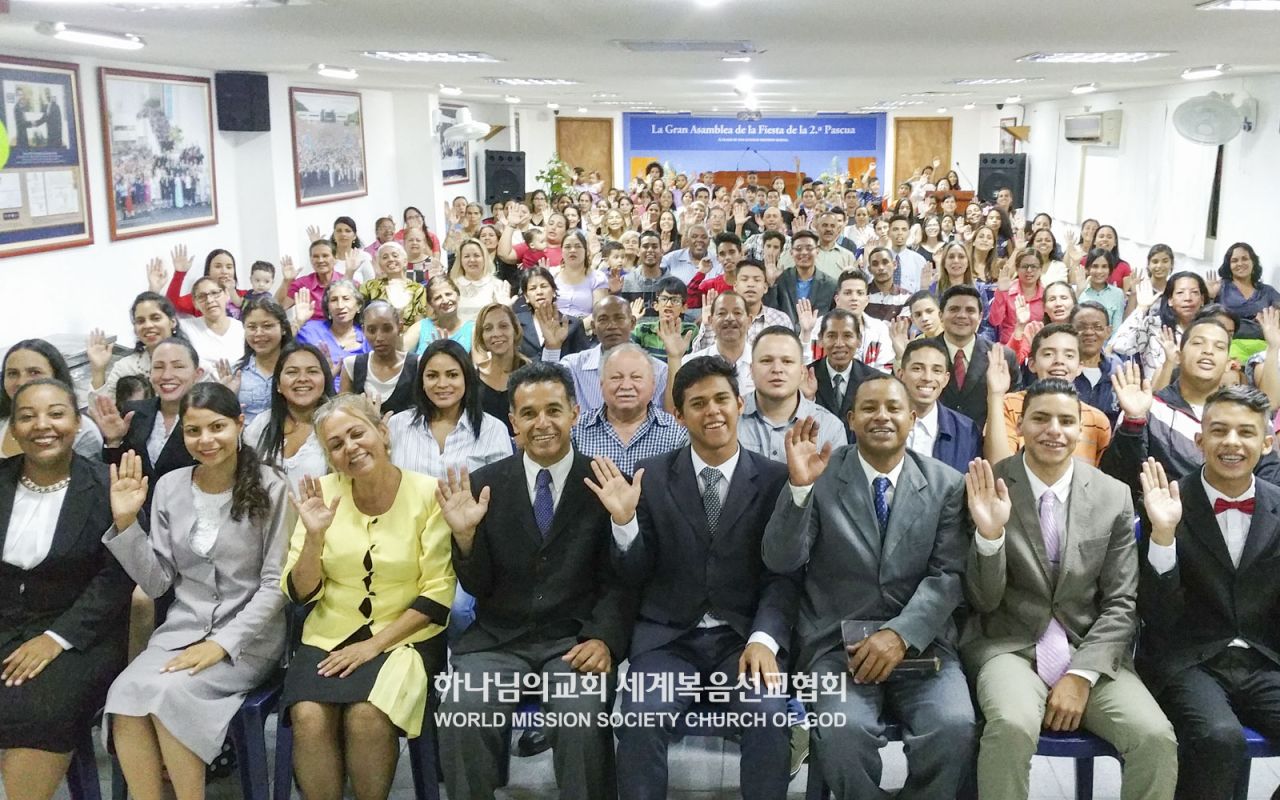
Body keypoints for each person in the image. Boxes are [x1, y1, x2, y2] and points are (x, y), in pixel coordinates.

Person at [592, 355, 797, 800]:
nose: (713, 411)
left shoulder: (776, 479)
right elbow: (632, 574)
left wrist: (764, 640)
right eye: (698, 403)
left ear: (740, 404)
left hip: (743, 638)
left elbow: (782, 576)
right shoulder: (650, 477)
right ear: (679, 415)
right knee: (641, 717)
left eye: (722, 399)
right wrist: (624, 523)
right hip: (668, 640)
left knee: (767, 715)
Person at [762, 375, 976, 799]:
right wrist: (799, 489)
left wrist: (900, 634)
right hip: (835, 646)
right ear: (851, 419)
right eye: (869, 408)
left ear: (911, 418)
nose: (882, 417)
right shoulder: (820, 473)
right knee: (843, 733)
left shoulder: (945, 483)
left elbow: (949, 575)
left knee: (953, 726)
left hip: (921, 643)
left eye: (893, 408)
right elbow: (781, 561)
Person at [962, 380, 1177, 800]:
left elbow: (1121, 603)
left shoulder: (1112, 495)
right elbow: (982, 601)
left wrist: (1081, 674)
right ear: (1020, 425)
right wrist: (990, 537)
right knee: (1010, 726)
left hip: (1089, 648)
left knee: (1155, 737)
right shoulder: (988, 485)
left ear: (1082, 429)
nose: (1053, 430)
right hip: (1009, 645)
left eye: (1066, 421)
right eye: (1040, 418)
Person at [435, 361, 635, 800]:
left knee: (581, 717)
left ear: (575, 414)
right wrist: (465, 539)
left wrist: (605, 638)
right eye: (529, 413)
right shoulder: (484, 485)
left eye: (553, 410)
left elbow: (623, 582)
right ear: (513, 422)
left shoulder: (605, 482)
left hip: (574, 641)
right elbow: (478, 586)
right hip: (497, 640)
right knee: (461, 710)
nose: (542, 423)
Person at [103, 383, 289, 800]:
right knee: (125, 694)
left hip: (249, 641)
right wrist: (127, 523)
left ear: (239, 424)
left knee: (172, 695)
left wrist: (221, 644)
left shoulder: (273, 485)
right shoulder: (171, 486)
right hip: (181, 633)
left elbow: (276, 584)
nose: (205, 440)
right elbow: (157, 582)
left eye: (216, 427)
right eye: (193, 430)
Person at [281, 394, 456, 800]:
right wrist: (314, 537)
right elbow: (300, 591)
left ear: (382, 432)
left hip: (406, 637)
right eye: (336, 444)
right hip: (329, 632)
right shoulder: (321, 494)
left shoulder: (429, 494)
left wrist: (372, 647)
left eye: (357, 434)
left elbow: (437, 593)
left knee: (367, 716)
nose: (350, 448)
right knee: (308, 716)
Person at [1137, 387, 1280, 800]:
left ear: (1266, 443)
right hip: (1189, 659)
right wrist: (1163, 535)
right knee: (1218, 738)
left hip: (1266, 658)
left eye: (1246, 432)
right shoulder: (1166, 502)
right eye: (1219, 431)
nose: (1231, 442)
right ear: (1200, 440)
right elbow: (1156, 614)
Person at [0, 379, 132, 800]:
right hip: (6, 622)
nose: (43, 425)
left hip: (80, 633)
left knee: (39, 707)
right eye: (27, 416)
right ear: (13, 428)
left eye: (56, 414)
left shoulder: (106, 486)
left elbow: (117, 578)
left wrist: (56, 638)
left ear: (78, 423)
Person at [1102, 316, 1280, 500]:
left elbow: (1271, 480)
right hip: (1165, 513)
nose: (1208, 351)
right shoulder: (1148, 408)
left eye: (1219, 347)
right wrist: (1133, 421)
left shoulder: (1251, 413)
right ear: (1178, 356)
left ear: (1229, 363)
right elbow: (1120, 479)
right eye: (1198, 343)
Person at [89, 337, 204, 519]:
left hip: (188, 518)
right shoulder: (133, 413)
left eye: (178, 366)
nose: (166, 375)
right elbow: (116, 475)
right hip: (135, 518)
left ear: (197, 374)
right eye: (158, 367)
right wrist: (114, 442)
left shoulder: (207, 419)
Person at [985, 324, 1113, 466]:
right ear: (1032, 364)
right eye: (1048, 354)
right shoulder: (1009, 404)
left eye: (1069, 355)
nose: (1059, 361)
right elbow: (999, 466)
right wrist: (995, 395)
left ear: (1079, 367)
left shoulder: (1098, 421)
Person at [386, 339, 512, 479]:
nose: (442, 384)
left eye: (452, 375)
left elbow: (504, 488)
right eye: (432, 376)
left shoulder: (493, 430)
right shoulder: (397, 425)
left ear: (466, 378)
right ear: (422, 381)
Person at [571, 344, 687, 478]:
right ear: (601, 385)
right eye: (616, 378)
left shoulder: (677, 433)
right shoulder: (576, 430)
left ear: (653, 385)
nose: (626, 386)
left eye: (636, 377)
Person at [739, 327, 846, 462]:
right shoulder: (730, 418)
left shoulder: (830, 427)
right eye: (766, 360)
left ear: (802, 372)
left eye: (787, 361)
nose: (777, 369)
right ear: (751, 370)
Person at [554, 295, 669, 414]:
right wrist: (553, 347)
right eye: (603, 320)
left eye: (619, 318)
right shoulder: (573, 366)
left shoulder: (658, 370)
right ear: (593, 327)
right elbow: (548, 391)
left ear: (632, 322)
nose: (611, 326)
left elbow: (667, 417)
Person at [244, 343, 334, 492]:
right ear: (278, 385)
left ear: (325, 380)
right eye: (292, 372)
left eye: (312, 371)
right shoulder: (262, 423)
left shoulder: (337, 425)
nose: (302, 379)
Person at [934, 285, 1021, 430]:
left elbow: (1013, 407)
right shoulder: (924, 353)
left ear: (980, 317)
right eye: (954, 309)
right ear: (941, 315)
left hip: (986, 439)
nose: (962, 315)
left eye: (970, 310)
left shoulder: (1003, 357)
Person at [1, 339, 104, 459]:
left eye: (34, 372)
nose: (21, 382)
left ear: (56, 376)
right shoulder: (2, 421)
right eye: (13, 373)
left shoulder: (83, 432)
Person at [895, 337, 982, 474]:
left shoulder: (966, 430)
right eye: (917, 369)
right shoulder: (883, 423)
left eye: (936, 370)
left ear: (946, 379)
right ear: (901, 375)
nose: (927, 378)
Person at [87, 292, 182, 404]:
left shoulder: (190, 362)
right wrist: (98, 370)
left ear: (172, 322)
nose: (148, 325)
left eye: (155, 318)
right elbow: (103, 411)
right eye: (140, 321)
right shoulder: (125, 368)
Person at [1111, 271, 1209, 380]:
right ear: (1170, 300)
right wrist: (1141, 308)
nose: (1188, 298)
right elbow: (1120, 346)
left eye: (1194, 292)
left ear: (1202, 299)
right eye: (1180, 293)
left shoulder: (1210, 330)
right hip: (1157, 389)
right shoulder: (1154, 325)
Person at [337, 301, 417, 415]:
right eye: (371, 330)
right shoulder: (352, 365)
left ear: (400, 327)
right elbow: (343, 414)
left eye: (387, 329)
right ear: (363, 330)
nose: (379, 337)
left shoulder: (417, 364)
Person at [223, 297, 293, 425]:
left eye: (267, 326)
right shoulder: (235, 373)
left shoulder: (297, 369)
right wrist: (225, 397)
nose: (259, 333)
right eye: (252, 327)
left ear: (283, 328)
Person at [810, 308, 881, 424]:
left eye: (847, 336)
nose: (839, 344)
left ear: (859, 340)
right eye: (831, 336)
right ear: (820, 340)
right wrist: (808, 398)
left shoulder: (874, 380)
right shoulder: (806, 377)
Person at [296, 279, 369, 386]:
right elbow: (282, 349)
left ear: (358, 306)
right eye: (334, 300)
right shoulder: (311, 330)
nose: (340, 306)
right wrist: (298, 322)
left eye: (346, 299)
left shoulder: (367, 336)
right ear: (327, 308)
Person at [472, 303, 529, 435]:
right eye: (488, 328)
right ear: (481, 336)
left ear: (515, 330)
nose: (496, 333)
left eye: (503, 326)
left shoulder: (531, 374)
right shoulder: (472, 377)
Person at [513, 268, 591, 362]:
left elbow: (584, 361)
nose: (539, 292)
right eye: (533, 288)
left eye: (544, 286)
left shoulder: (574, 324)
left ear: (554, 291)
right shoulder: (516, 324)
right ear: (526, 297)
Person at [152, 246, 247, 319]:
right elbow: (171, 304)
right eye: (218, 266)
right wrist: (179, 273)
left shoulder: (244, 295)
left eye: (229, 267)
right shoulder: (201, 297)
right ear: (208, 270)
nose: (224, 271)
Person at [765, 230, 837, 327]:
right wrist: (771, 283)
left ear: (817, 251)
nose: (804, 252)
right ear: (791, 252)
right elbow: (769, 311)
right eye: (798, 249)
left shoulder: (830, 285)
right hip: (784, 333)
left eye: (809, 248)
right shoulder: (781, 279)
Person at [180, 277, 246, 373]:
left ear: (227, 294)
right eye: (202, 296)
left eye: (215, 293)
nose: (210, 300)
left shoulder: (242, 329)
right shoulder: (186, 327)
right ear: (195, 303)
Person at [1071, 301, 1123, 424]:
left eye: (1097, 327)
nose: (1089, 332)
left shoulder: (1117, 369)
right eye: (1081, 327)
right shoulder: (1061, 369)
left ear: (1108, 331)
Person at [358, 242, 429, 331]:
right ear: (380, 264)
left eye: (395, 256)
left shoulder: (418, 289)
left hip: (408, 335)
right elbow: (353, 302)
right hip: (378, 334)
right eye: (385, 257)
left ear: (405, 261)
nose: (391, 259)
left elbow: (419, 324)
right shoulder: (370, 286)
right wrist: (350, 272)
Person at [631, 276, 699, 363]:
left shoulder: (691, 330)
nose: (669, 304)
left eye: (675, 300)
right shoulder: (642, 330)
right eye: (664, 299)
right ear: (655, 305)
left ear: (684, 308)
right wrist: (630, 322)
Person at [403, 277, 476, 356]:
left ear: (458, 295)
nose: (445, 301)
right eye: (438, 298)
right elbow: (399, 356)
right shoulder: (420, 328)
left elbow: (479, 362)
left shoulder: (472, 329)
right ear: (431, 304)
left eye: (448, 294)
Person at [277, 239, 344, 323]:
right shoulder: (302, 283)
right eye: (315, 256)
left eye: (325, 256)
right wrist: (286, 281)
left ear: (335, 258)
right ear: (311, 260)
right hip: (311, 329)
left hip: (340, 327)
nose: (320, 260)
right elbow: (280, 306)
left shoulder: (346, 282)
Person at [989, 251, 1045, 345]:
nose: (1029, 270)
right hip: (1009, 345)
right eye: (1024, 266)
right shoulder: (1007, 289)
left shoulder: (1046, 294)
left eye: (1034, 266)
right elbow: (994, 321)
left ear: (1041, 269)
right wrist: (1001, 292)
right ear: (1017, 268)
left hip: (1036, 346)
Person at [451, 238, 511, 322]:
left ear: (484, 258)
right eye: (466, 256)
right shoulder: (451, 286)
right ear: (460, 260)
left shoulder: (497, 285)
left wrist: (506, 308)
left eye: (476, 255)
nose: (472, 260)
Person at [1217, 242, 1280, 322]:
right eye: (1234, 261)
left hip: (1261, 330)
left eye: (1245, 259)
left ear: (1253, 262)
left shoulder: (1267, 291)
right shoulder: (1221, 287)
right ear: (1228, 265)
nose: (1240, 263)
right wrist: (1210, 295)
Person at [1079, 247, 1126, 329]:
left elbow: (1116, 327)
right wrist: (1078, 292)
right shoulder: (1078, 290)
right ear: (1087, 269)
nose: (1099, 271)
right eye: (1095, 266)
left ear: (1110, 270)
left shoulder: (1118, 294)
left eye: (1104, 267)